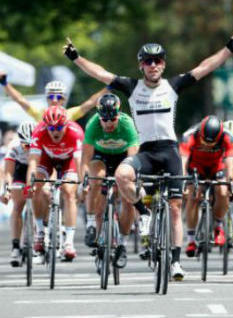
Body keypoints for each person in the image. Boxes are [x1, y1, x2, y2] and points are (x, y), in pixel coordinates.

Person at [63, 31, 233, 280]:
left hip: (169, 151)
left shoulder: (173, 86)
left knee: (176, 208)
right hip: (146, 152)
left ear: (164, 64)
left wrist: (229, 50)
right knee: (122, 176)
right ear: (141, 65)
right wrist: (76, 58)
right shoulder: (131, 87)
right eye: (148, 61)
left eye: (158, 60)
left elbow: (204, 68)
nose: (153, 65)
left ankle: (176, 263)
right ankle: (144, 214)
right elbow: (100, 73)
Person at [81, 93, 139, 269]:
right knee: (96, 181)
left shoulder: (127, 124)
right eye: (104, 119)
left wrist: (130, 182)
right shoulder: (93, 125)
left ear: (118, 114)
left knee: (128, 201)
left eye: (112, 119)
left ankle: (122, 244)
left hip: (123, 158)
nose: (107, 124)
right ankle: (92, 224)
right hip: (101, 157)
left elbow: (133, 158)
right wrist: (84, 181)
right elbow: (85, 159)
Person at [25, 106, 84, 261]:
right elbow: (32, 162)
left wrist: (83, 183)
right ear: (45, 126)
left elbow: (79, 162)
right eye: (51, 127)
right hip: (47, 159)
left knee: (69, 192)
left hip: (69, 161)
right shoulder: (39, 132)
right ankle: (39, 232)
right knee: (38, 187)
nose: (55, 131)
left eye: (59, 127)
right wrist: (29, 185)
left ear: (66, 125)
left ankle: (69, 242)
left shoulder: (76, 132)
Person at [180, 116, 233, 256]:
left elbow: (230, 164)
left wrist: (231, 183)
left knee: (222, 191)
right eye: (204, 141)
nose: (208, 145)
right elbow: (183, 161)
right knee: (193, 195)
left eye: (213, 142)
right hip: (196, 168)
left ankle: (218, 226)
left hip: (217, 167)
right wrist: (182, 183)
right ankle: (191, 240)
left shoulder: (228, 137)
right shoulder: (189, 136)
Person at [0, 122, 37, 267]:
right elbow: (8, 173)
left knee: (43, 195)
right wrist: (7, 190)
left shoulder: (41, 145)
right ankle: (16, 246)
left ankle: (42, 232)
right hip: (19, 170)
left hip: (38, 169)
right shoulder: (14, 147)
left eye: (31, 145)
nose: (28, 148)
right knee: (17, 205)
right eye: (25, 146)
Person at [0, 72, 106, 121]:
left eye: (59, 97)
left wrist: (110, 87)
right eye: (51, 97)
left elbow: (91, 102)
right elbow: (20, 100)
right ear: (46, 98)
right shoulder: (39, 113)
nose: (54, 100)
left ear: (64, 99)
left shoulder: (69, 114)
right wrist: (5, 84)